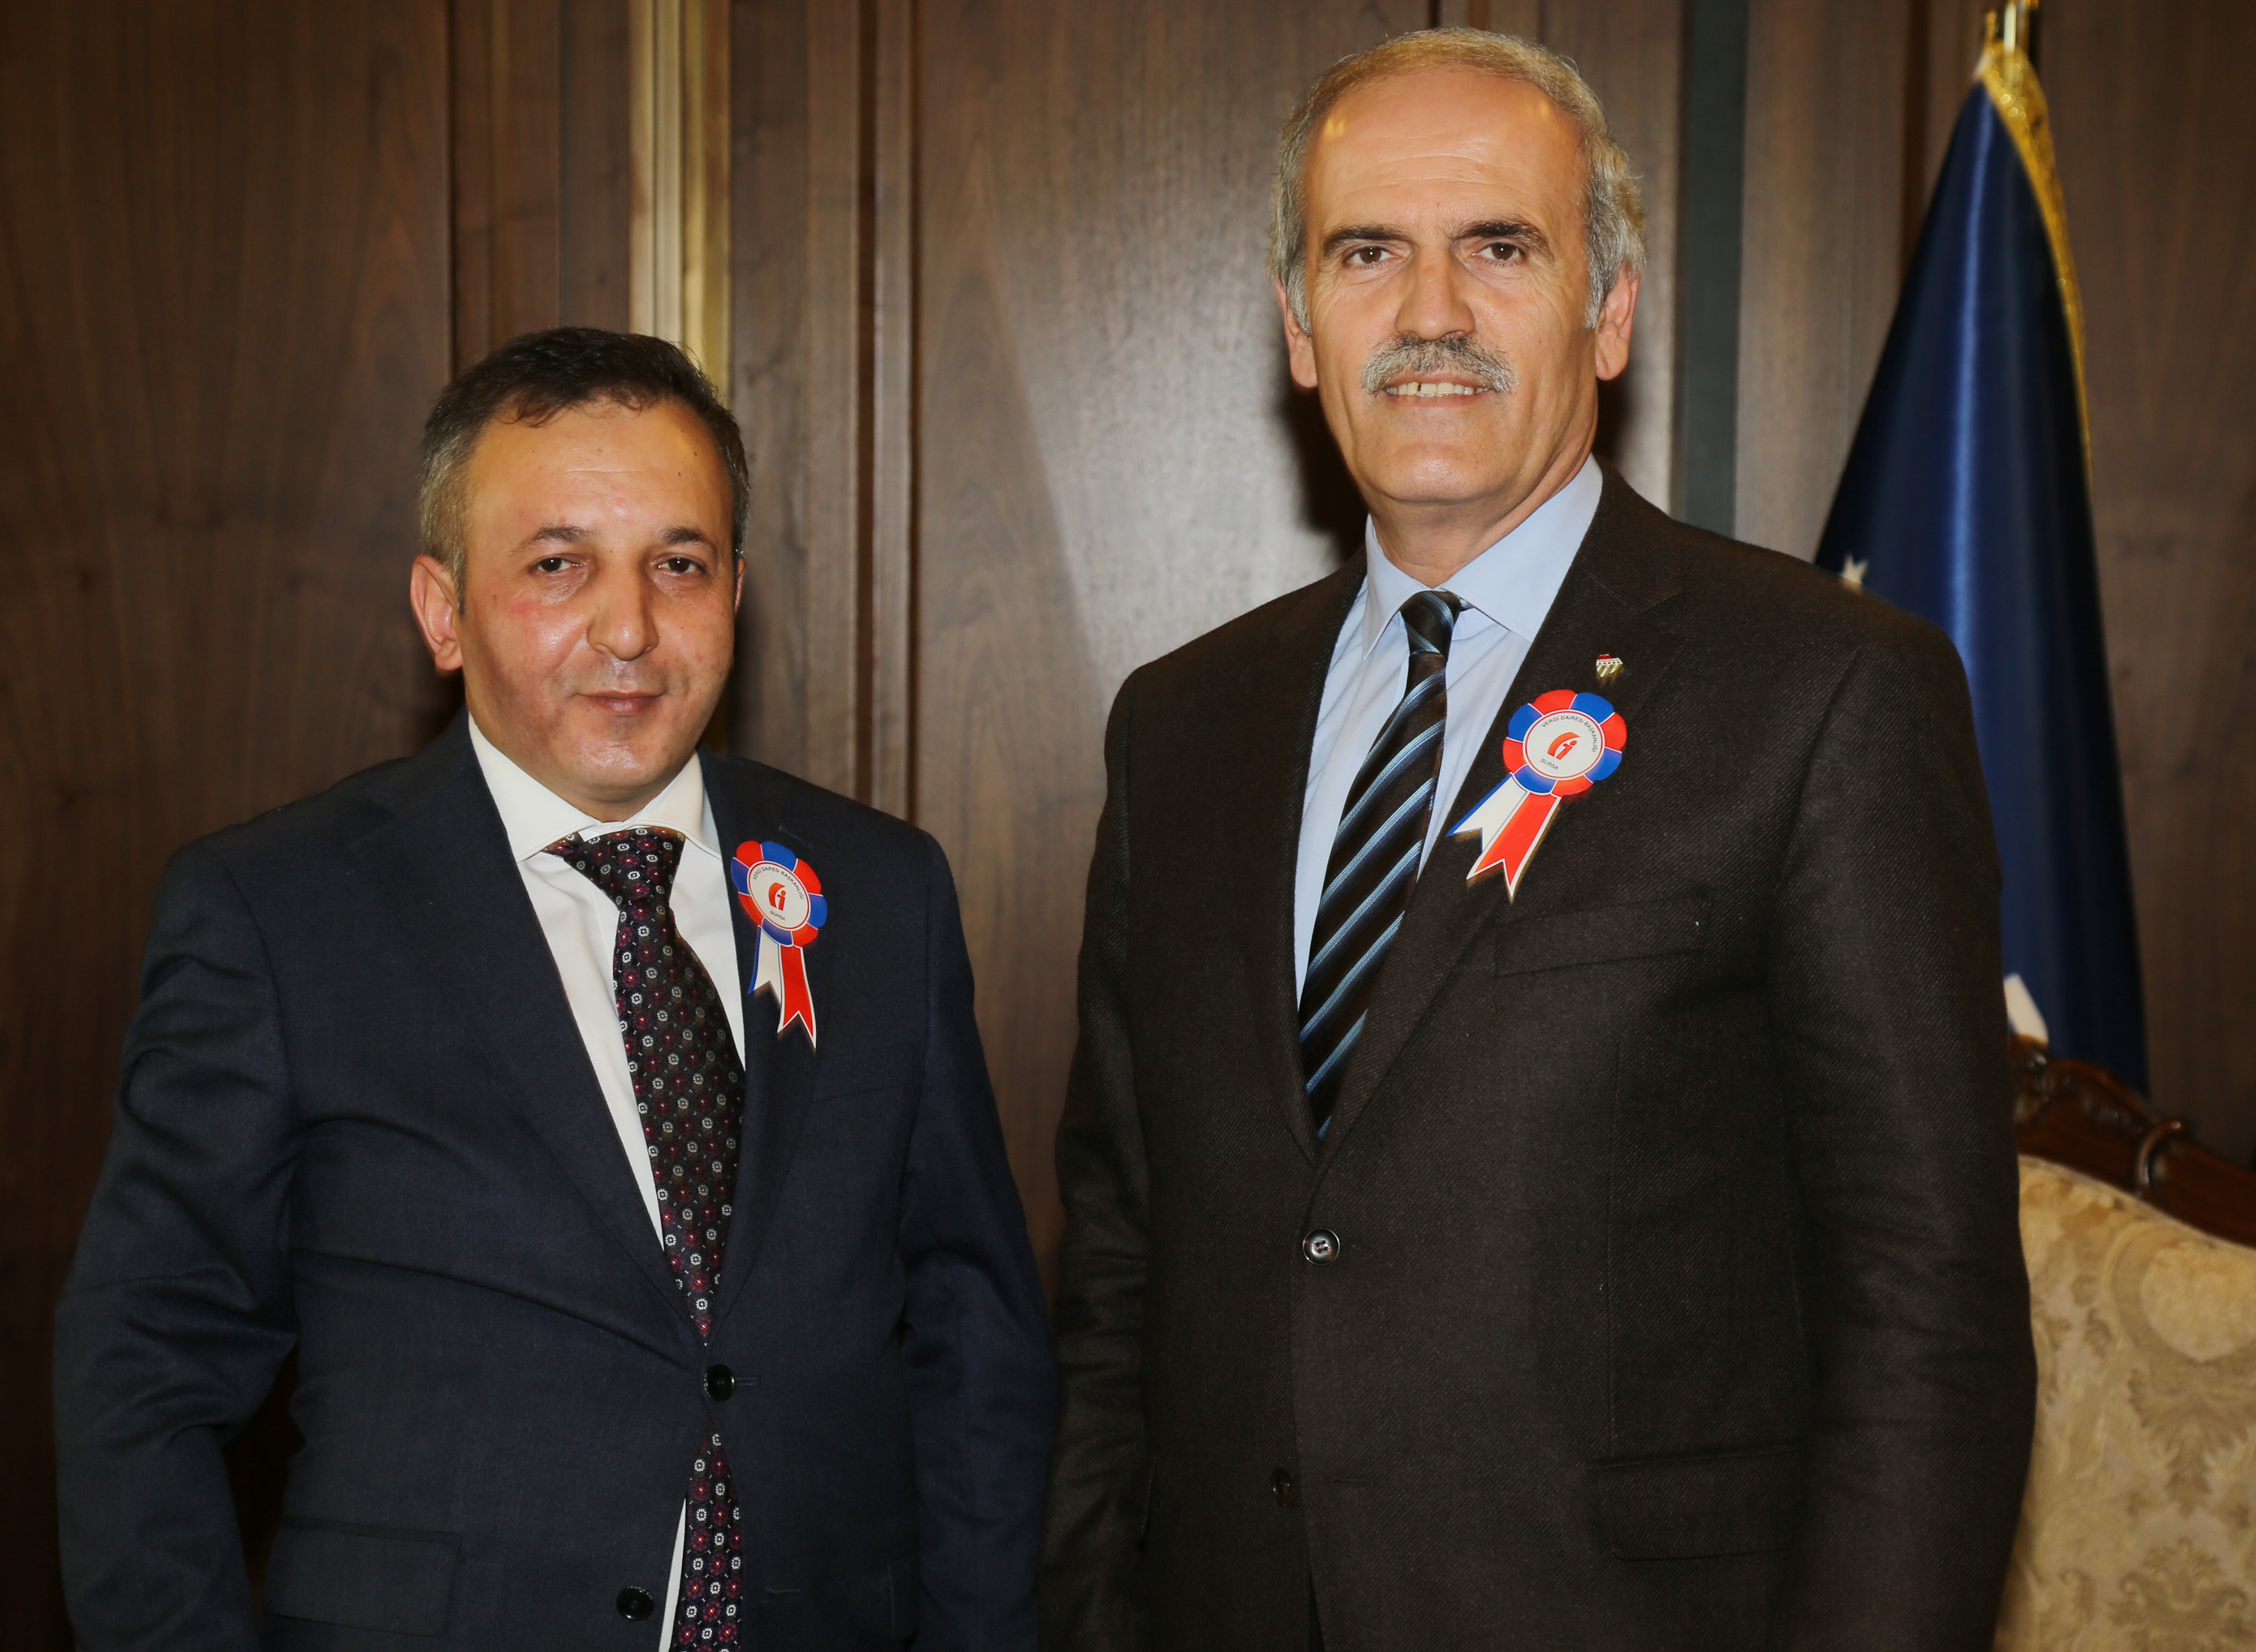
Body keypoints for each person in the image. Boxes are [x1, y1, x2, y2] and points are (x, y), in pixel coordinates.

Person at [1040, 29, 2034, 1652]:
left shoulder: (1825, 691)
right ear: (1300, 327)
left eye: (1500, 247)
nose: (1429, 311)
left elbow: (1927, 1309)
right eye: (1368, 253)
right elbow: (1120, 1271)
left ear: (1611, 310)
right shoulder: (1181, 727)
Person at [55, 327, 1056, 1650]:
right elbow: (143, 1369)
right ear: (442, 610)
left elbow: (975, 1335)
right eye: (557, 565)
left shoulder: (882, 890)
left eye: (679, 564)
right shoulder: (276, 913)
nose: (629, 628)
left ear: (737, 589)